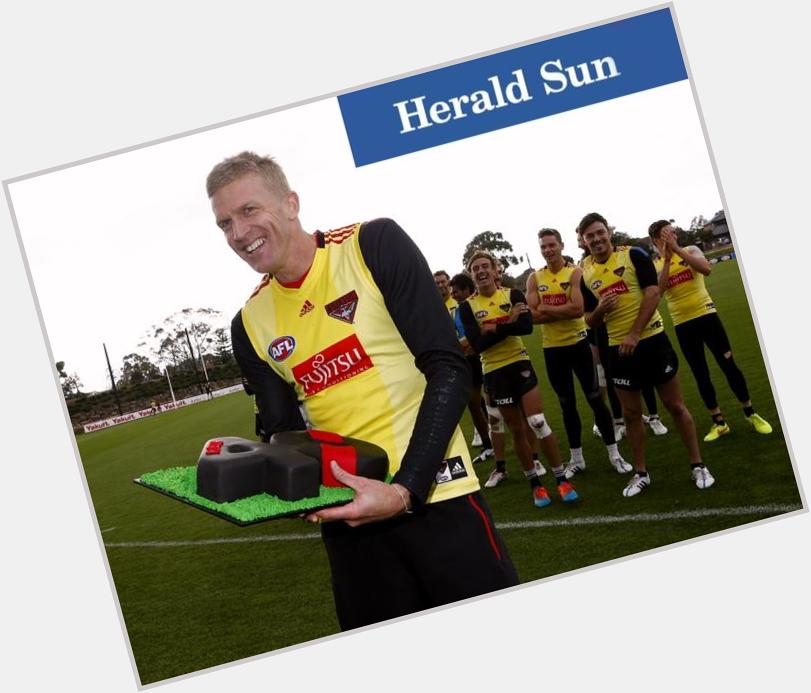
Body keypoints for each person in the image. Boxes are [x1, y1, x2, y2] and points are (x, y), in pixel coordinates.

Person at [207, 151, 517, 630]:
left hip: (438, 493)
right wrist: (273, 486)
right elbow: (286, 435)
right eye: (224, 222)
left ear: (290, 203)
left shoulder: (373, 244)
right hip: (348, 522)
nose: (238, 233)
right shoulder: (248, 323)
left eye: (249, 210)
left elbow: (448, 367)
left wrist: (404, 489)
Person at [578, 212, 714, 497]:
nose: (597, 239)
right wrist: (600, 310)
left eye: (600, 232)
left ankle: (698, 464)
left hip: (651, 340)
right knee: (630, 414)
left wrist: (635, 333)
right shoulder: (585, 271)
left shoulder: (634, 255)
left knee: (675, 406)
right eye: (590, 235)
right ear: (584, 240)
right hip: (618, 349)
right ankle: (641, 474)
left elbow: (653, 294)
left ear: (609, 232)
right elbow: (588, 319)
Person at [457, 249, 578, 507]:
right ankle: (535, 484)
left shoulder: (512, 294)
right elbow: (477, 345)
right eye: (475, 268)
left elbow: (525, 326)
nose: (480, 271)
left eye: (484, 266)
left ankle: (561, 479)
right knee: (516, 429)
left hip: (519, 362)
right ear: (473, 275)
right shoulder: (467, 308)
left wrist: (494, 327)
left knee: (536, 420)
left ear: (494, 269)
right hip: (494, 372)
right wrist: (505, 324)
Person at [649, 220, 772, 441]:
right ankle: (719, 422)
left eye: (673, 232)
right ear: (656, 240)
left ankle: (750, 413)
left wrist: (676, 250)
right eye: (667, 234)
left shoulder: (691, 250)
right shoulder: (655, 265)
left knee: (728, 364)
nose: (673, 236)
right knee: (700, 373)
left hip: (707, 315)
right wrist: (667, 259)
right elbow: (659, 290)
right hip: (682, 323)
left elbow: (706, 269)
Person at [526, 228, 630, 477]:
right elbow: (532, 315)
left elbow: (577, 310)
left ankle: (615, 454)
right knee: (566, 406)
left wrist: (547, 309)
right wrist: (563, 308)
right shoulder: (534, 278)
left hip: (578, 345)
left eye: (552, 245)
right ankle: (577, 459)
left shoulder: (575, 273)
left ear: (561, 245)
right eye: (543, 247)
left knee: (596, 400)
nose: (548, 250)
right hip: (552, 351)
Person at [448, 272, 494, 465]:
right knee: (474, 404)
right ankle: (488, 445)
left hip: (486, 358)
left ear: (468, 290)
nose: (454, 294)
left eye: (457, 291)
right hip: (468, 361)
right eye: (453, 291)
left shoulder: (477, 306)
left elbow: (480, 331)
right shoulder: (455, 311)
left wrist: (462, 343)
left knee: (496, 404)